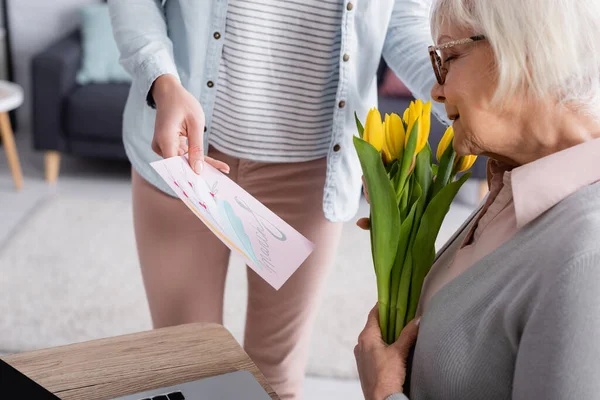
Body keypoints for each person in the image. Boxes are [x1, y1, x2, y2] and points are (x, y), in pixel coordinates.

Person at [107, 1, 446, 398]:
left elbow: (403, 20)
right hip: (185, 157)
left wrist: (462, 94)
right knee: (186, 371)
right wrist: (161, 81)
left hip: (309, 174)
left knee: (273, 379)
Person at [354, 0, 600, 399]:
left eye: (449, 56)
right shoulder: (514, 188)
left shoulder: (588, 258)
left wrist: (382, 393)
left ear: (529, 51)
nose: (436, 89)